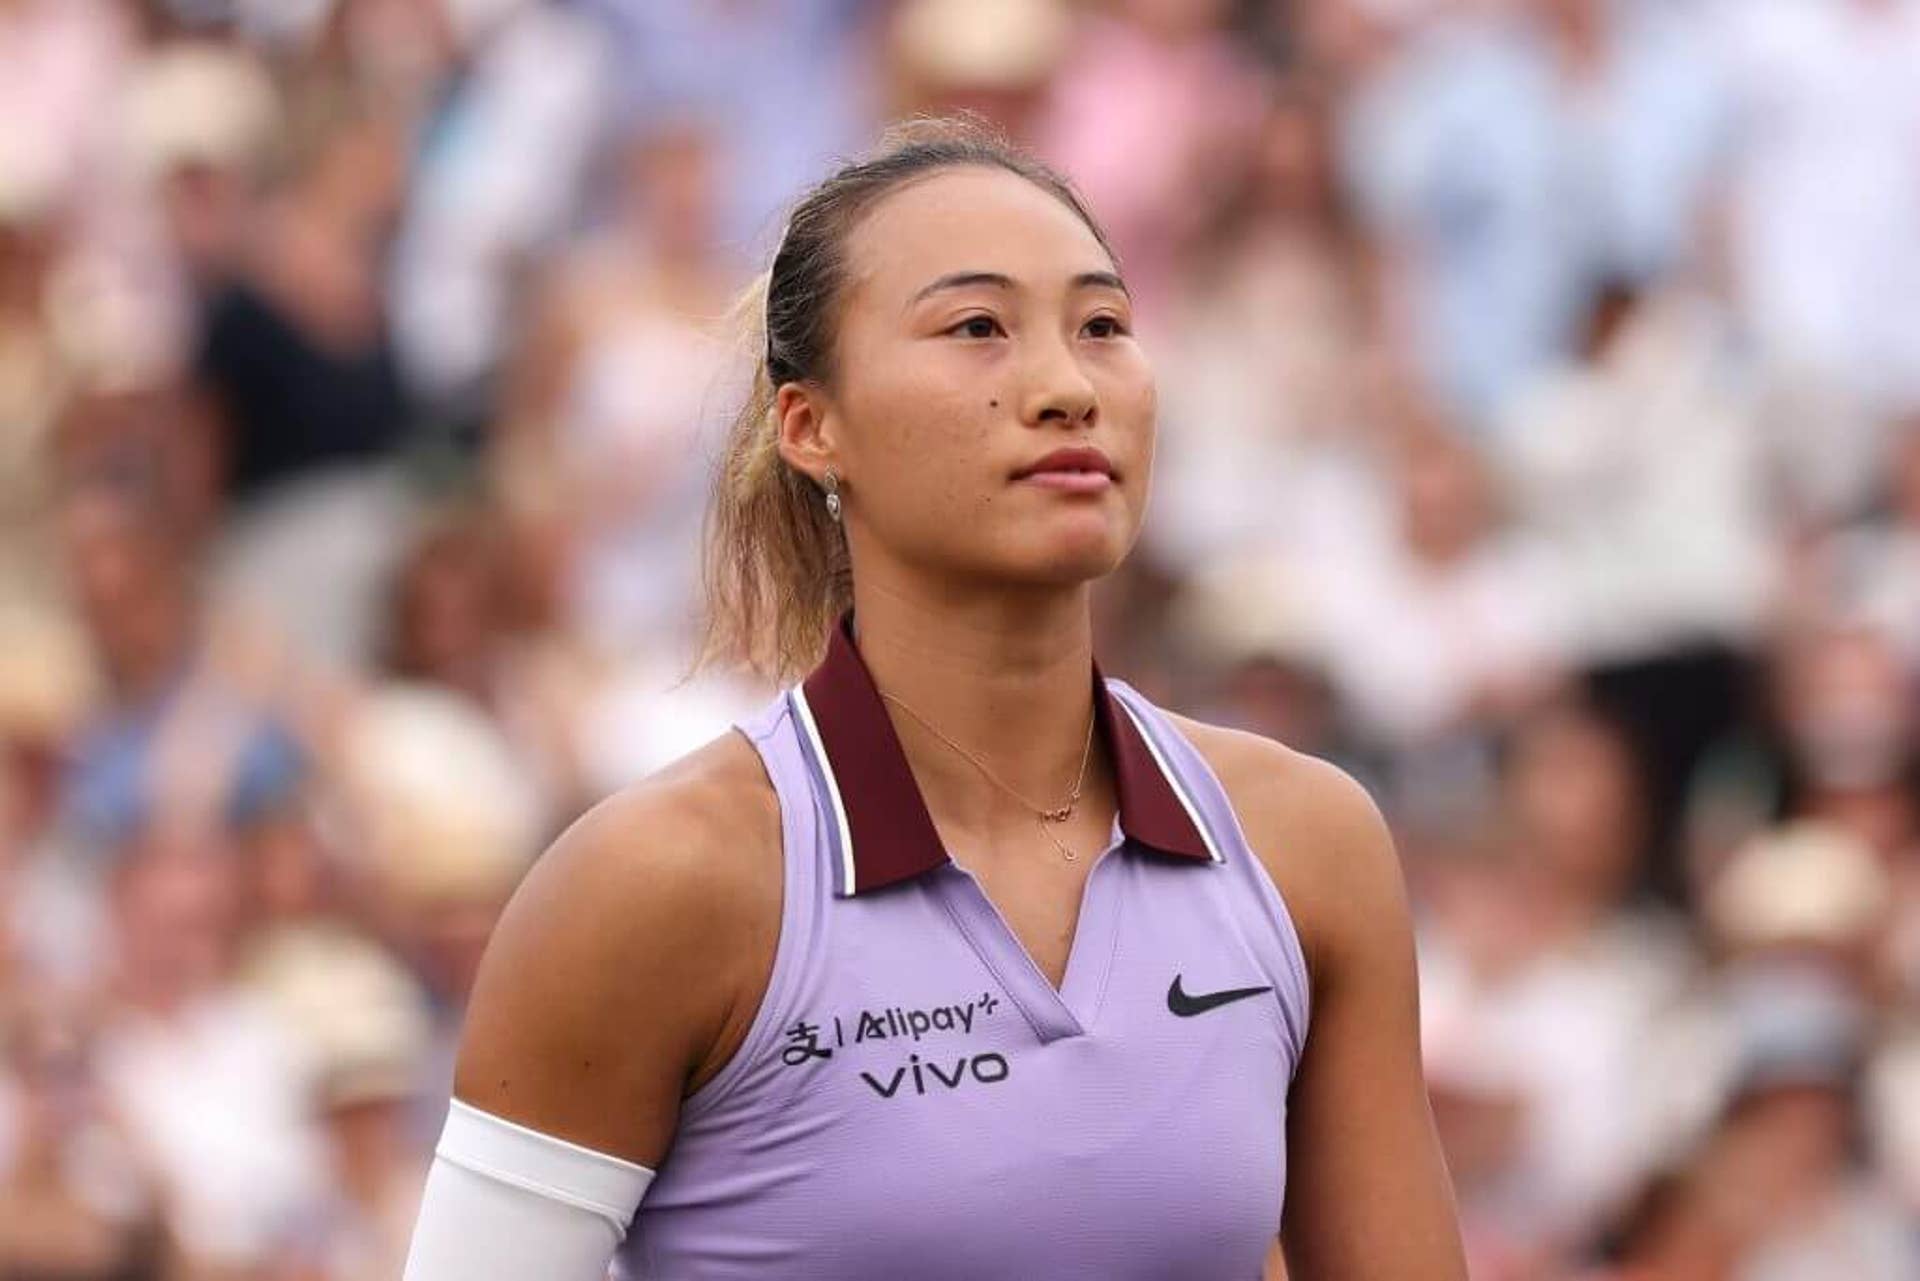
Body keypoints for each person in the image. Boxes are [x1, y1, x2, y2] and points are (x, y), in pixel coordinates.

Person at [401, 119, 1467, 1280]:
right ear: (811, 427)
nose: (1067, 385)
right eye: (977, 328)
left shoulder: (1309, 843)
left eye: (1103, 325)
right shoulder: (656, 883)